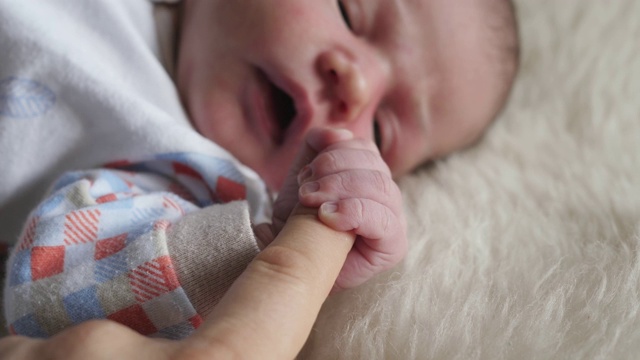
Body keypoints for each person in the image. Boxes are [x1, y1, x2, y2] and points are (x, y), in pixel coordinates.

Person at [1, 0, 518, 347]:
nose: (357, 84)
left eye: (381, 130)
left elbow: (46, 295)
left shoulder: (196, 194)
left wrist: (252, 251)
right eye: (348, 10)